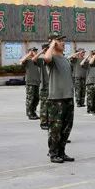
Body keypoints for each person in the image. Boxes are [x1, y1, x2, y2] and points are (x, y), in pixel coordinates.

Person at [44, 32, 74, 163]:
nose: (63, 43)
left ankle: (61, 152)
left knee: (66, 127)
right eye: (59, 41)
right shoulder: (52, 58)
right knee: (55, 128)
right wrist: (51, 45)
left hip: (68, 96)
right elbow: (46, 58)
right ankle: (53, 153)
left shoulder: (65, 59)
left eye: (63, 40)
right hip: (56, 98)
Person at [20, 47, 41, 120]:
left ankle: (33, 112)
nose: (35, 52)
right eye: (33, 51)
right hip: (30, 82)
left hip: (37, 82)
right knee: (30, 99)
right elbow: (21, 61)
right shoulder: (27, 61)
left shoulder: (38, 60)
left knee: (37, 98)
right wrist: (29, 54)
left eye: (35, 51)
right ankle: (29, 113)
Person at [35, 43, 50, 130]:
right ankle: (43, 122)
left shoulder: (53, 58)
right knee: (44, 106)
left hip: (53, 86)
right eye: (46, 49)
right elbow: (34, 59)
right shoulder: (42, 61)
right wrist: (41, 52)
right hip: (45, 87)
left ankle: (50, 121)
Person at [83, 51, 95, 115]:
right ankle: (89, 110)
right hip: (90, 82)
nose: (93, 56)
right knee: (90, 97)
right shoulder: (88, 63)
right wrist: (87, 57)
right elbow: (81, 64)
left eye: (94, 54)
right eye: (92, 55)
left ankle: (94, 110)